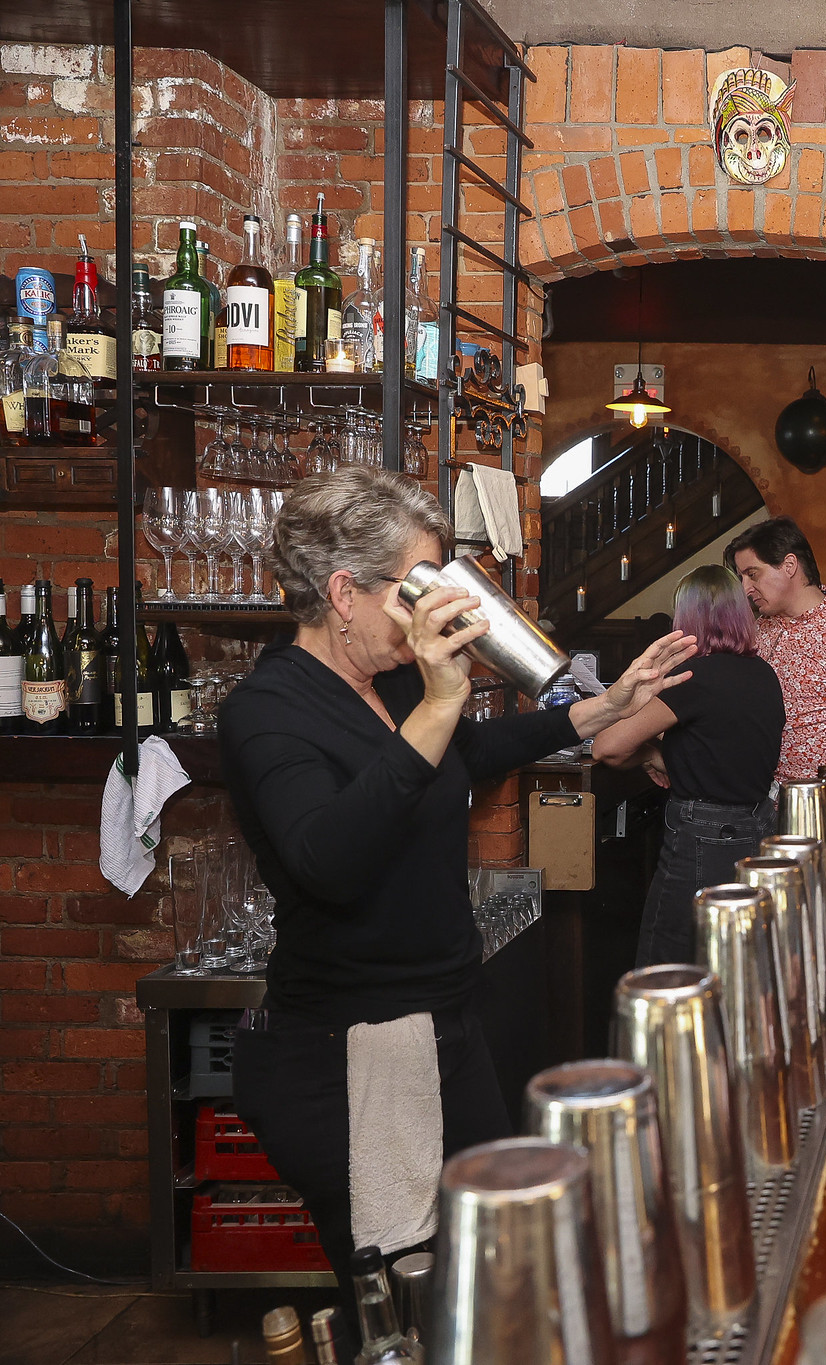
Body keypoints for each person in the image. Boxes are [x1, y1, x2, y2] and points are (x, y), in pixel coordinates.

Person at [222, 467, 695, 1313]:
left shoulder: (397, 682)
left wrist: (601, 707)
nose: (435, 603)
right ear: (344, 593)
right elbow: (326, 859)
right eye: (417, 586)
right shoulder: (268, 709)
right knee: (409, 1303)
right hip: (353, 1052)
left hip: (446, 1026)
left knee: (498, 1276)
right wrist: (440, 703)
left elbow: (470, 754)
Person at [592, 564, 785, 966]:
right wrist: (663, 755)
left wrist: (647, 753)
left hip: (703, 836)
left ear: (688, 620)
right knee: (736, 962)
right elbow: (723, 749)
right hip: (756, 828)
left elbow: (606, 747)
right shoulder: (764, 674)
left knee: (669, 963)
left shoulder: (694, 677)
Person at [725, 516, 826, 782]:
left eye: (753, 574)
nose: (745, 589)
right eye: (741, 578)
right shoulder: (757, 629)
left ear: (789, 565)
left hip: (818, 806)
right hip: (752, 803)